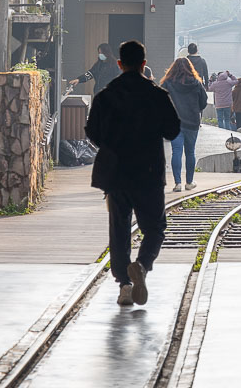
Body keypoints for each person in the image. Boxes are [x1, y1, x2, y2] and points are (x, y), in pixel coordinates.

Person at [84, 39, 180, 307]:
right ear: (143, 64)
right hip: (148, 172)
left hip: (116, 173)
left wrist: (112, 144)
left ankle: (124, 286)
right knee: (155, 227)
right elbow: (172, 131)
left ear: (119, 64)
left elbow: (92, 132)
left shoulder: (105, 95)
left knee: (119, 228)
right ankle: (142, 264)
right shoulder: (157, 95)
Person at [161, 57, 208, 191]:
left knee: (176, 151)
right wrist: (195, 109)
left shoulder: (168, 83)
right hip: (192, 121)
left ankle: (178, 183)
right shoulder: (196, 83)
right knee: (190, 152)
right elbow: (203, 102)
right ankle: (189, 182)